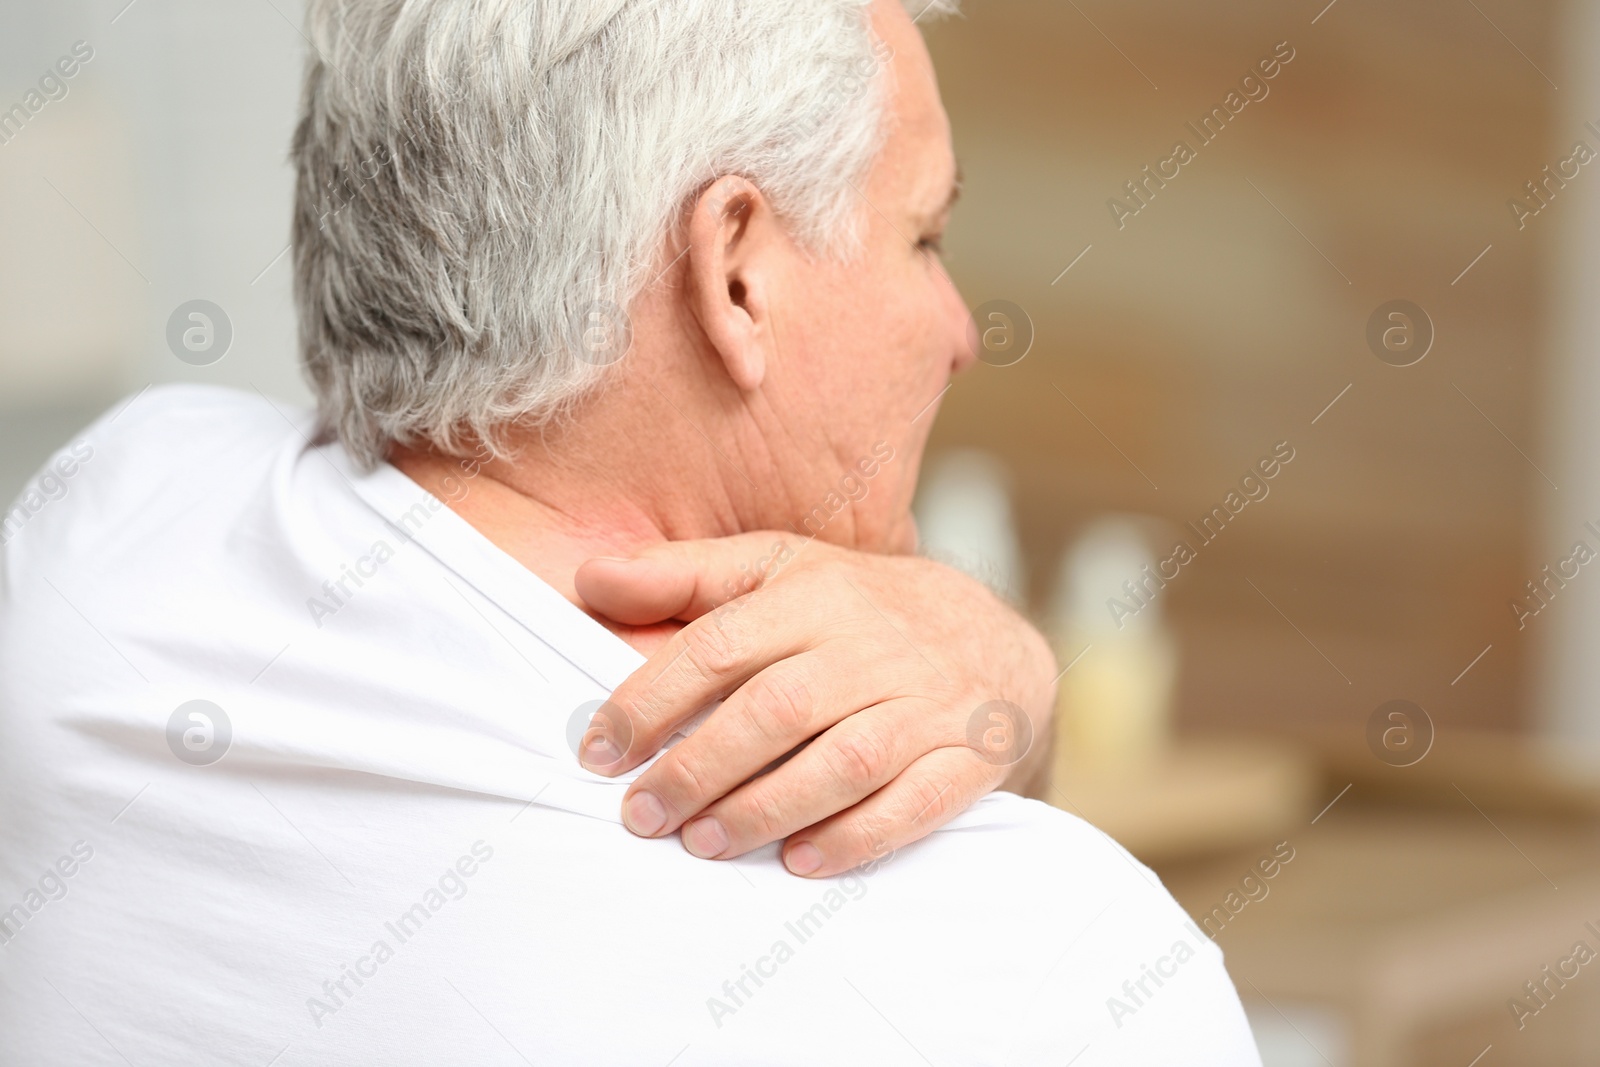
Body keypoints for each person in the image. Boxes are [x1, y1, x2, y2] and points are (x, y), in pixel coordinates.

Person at [0, 0, 1261, 1062]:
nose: (960, 329)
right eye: (923, 234)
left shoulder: (105, 524)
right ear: (733, 276)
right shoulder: (1048, 960)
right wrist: (1009, 676)